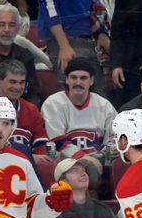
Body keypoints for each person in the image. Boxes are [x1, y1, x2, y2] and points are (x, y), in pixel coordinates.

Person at [41, 58, 117, 194]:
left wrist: (109, 152)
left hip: (99, 161)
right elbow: (58, 142)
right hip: (67, 163)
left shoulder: (104, 105)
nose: (78, 82)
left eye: (83, 78)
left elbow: (113, 137)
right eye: (73, 77)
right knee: (89, 172)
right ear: (66, 80)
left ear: (92, 81)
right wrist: (86, 159)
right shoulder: (53, 103)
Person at [0, 4, 40, 105]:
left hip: (19, 111)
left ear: (18, 28)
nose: (7, 30)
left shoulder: (26, 56)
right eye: (2, 24)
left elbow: (33, 93)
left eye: (11, 25)